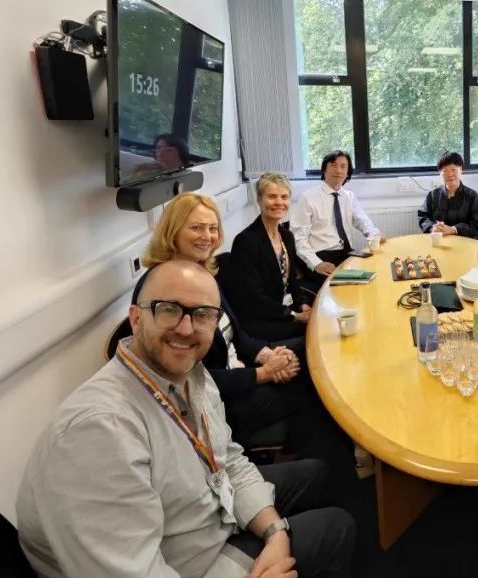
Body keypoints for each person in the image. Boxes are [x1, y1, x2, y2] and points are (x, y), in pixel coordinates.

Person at [16, 260, 355, 578]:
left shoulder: (189, 372)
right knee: (336, 528)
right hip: (185, 575)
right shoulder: (99, 432)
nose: (186, 328)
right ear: (136, 318)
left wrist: (276, 532)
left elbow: (227, 460)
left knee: (319, 476)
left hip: (202, 520)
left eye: (203, 315)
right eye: (168, 309)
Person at [139, 192, 355, 478]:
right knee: (317, 386)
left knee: (314, 359)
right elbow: (192, 380)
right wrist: (263, 374)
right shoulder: (161, 288)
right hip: (222, 402)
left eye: (212, 228)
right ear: (172, 231)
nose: (207, 236)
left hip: (241, 370)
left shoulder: (203, 275)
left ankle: (324, 463)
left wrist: (268, 355)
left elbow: (237, 335)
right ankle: (324, 474)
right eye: (196, 228)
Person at [224, 172, 313, 342]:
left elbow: (292, 280)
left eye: (284, 197)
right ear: (259, 200)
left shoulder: (287, 236)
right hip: (260, 320)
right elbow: (253, 298)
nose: (279, 202)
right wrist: (295, 315)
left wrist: (303, 305)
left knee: (320, 319)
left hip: (283, 310)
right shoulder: (245, 241)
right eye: (272, 197)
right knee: (316, 331)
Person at [291, 151, 385, 290]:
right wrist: (316, 263)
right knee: (347, 288)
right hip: (320, 256)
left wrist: (374, 235)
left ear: (348, 172)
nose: (338, 170)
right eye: (333, 165)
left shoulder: (349, 196)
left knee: (377, 272)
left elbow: (362, 221)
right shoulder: (308, 198)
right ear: (324, 169)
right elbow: (298, 238)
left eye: (343, 166)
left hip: (346, 253)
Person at [417, 151, 478, 240]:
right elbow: (422, 215)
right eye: (445, 171)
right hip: (440, 239)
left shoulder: (472, 195)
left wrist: (453, 229)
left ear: (461, 169)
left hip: (466, 240)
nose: (450, 174)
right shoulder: (432, 195)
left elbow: (475, 224)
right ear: (440, 173)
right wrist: (433, 227)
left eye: (453, 170)